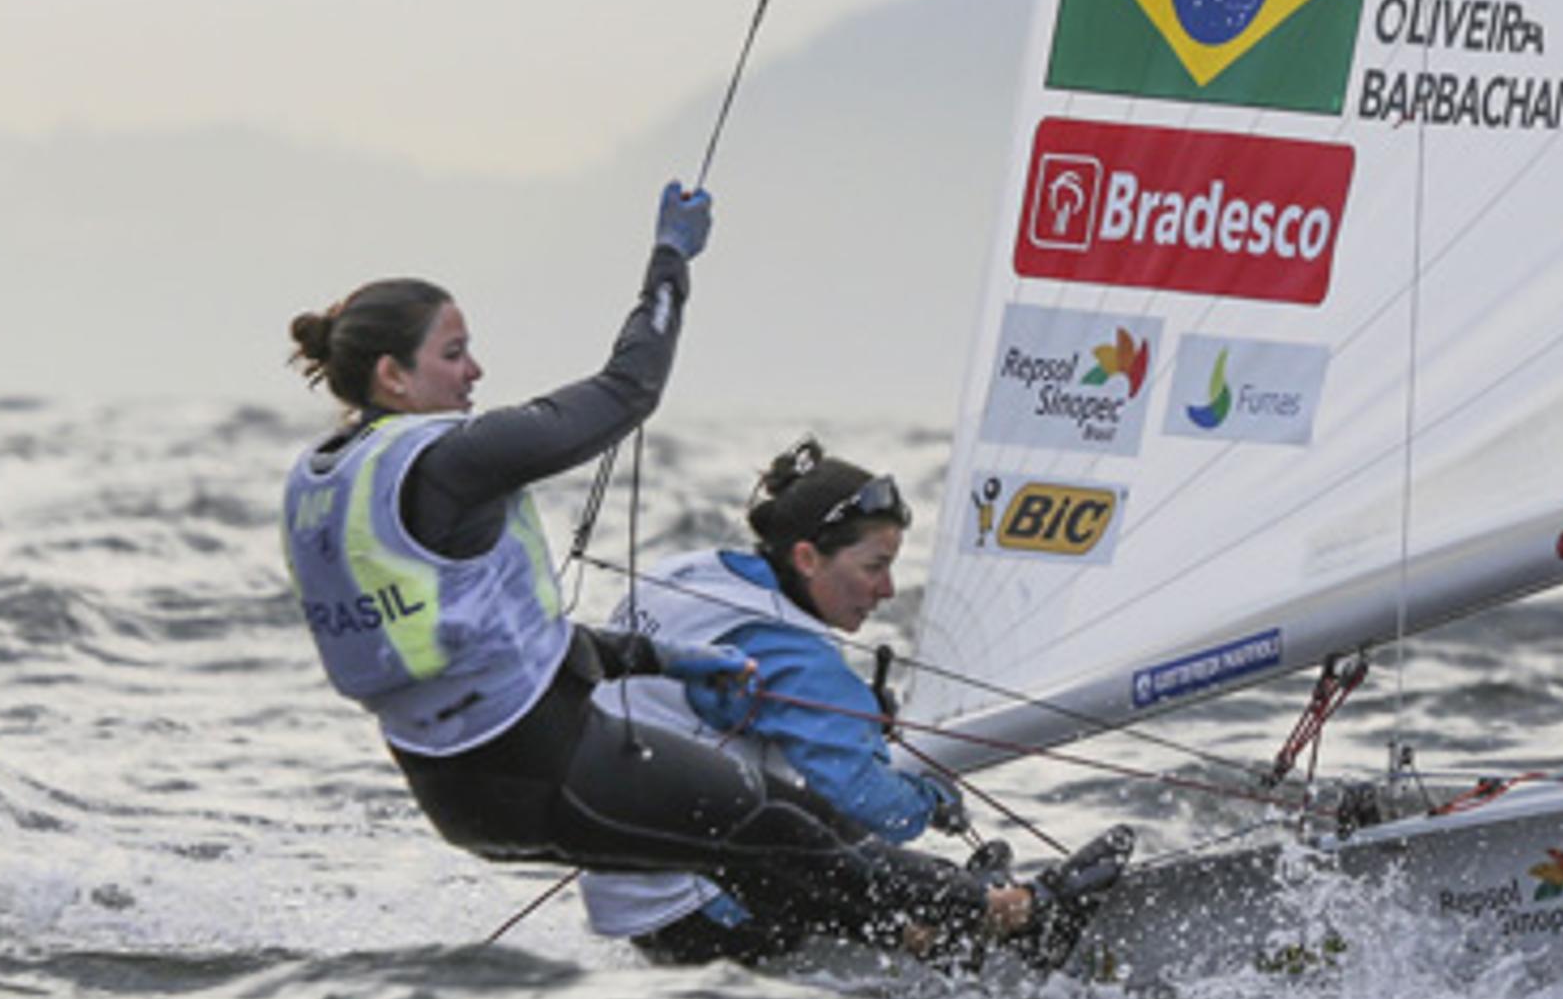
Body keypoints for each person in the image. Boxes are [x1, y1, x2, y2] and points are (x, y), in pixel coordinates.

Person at [278, 186, 1047, 958]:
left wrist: (665, 658)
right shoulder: (450, 462)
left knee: (747, 845)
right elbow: (626, 391)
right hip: (546, 766)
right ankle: (1010, 915)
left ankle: (920, 933)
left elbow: (496, 648)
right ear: (393, 377)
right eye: (452, 354)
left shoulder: (327, 480)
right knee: (776, 821)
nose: (475, 371)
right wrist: (670, 264)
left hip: (460, 793)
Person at [580, 439, 1011, 964]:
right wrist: (933, 801)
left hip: (630, 892)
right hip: (705, 910)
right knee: (848, 839)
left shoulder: (691, 572)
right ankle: (1010, 916)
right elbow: (876, 805)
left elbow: (720, 704)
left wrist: (846, 717)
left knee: (813, 823)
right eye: (875, 566)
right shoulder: (792, 652)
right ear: (807, 557)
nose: (889, 589)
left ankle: (956, 908)